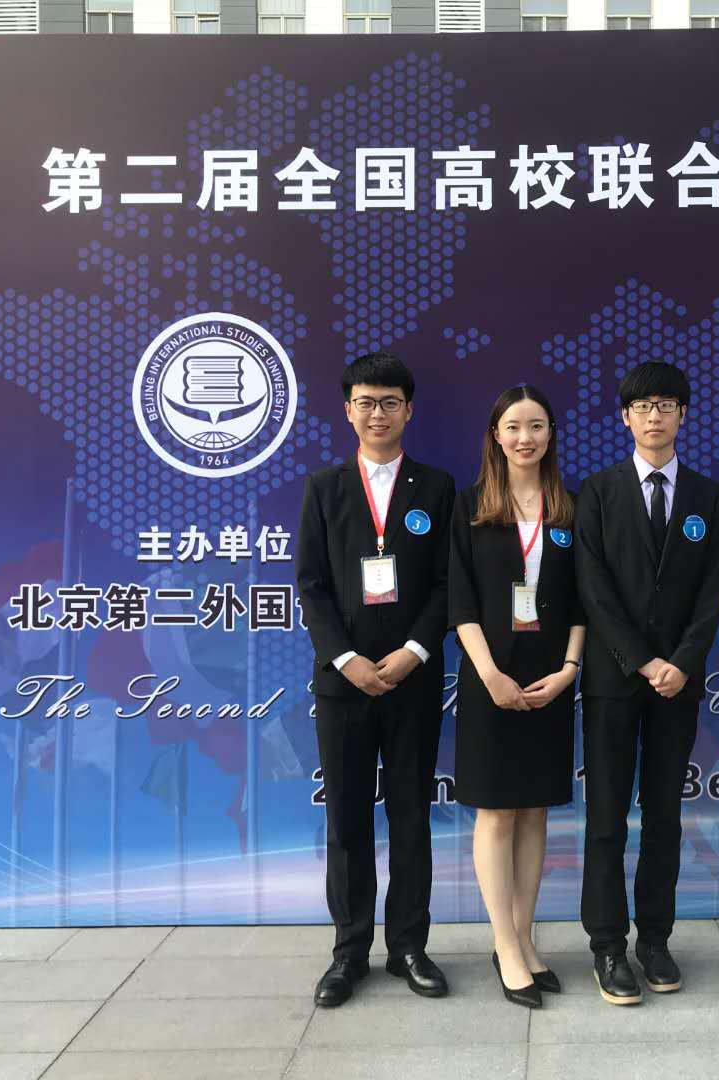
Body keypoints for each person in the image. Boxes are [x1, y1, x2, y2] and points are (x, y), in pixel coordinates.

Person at [296, 351, 456, 1008]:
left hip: (413, 681)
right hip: (344, 685)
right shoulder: (325, 488)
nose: (378, 414)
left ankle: (410, 946)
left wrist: (415, 650)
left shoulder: (437, 488)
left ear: (409, 410)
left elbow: (448, 583)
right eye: (366, 402)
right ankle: (349, 951)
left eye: (390, 402)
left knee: (412, 815)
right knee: (347, 819)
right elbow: (310, 586)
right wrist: (346, 659)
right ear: (348, 411)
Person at [575, 361, 719, 1005]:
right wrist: (642, 660)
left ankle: (655, 940)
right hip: (614, 679)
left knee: (665, 815)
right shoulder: (597, 492)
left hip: (679, 684)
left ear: (683, 415)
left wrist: (682, 662)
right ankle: (608, 944)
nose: (654, 416)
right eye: (642, 406)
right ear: (625, 417)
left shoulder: (708, 497)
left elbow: (712, 592)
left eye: (666, 405)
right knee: (607, 816)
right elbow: (593, 588)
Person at [449, 384, 586, 1010]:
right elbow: (460, 602)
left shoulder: (570, 508)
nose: (525, 437)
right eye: (513, 426)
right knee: (497, 813)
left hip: (549, 679)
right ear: (495, 436)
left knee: (535, 812)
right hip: (490, 678)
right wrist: (490, 676)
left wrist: (569, 669)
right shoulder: (471, 506)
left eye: (536, 426)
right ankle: (504, 944)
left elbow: (583, 601)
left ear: (551, 433)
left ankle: (526, 938)